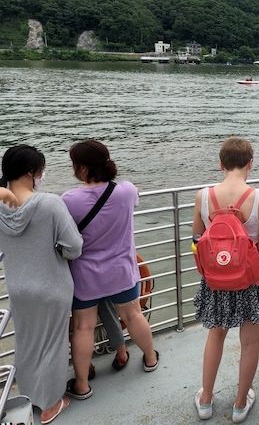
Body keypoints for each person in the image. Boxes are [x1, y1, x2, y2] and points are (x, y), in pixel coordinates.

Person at [62, 140, 159, 402]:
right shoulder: (125, 191)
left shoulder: (69, 200)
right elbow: (131, 198)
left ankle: (82, 385)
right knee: (134, 315)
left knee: (83, 328)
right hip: (121, 271)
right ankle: (150, 358)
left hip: (86, 276)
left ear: (81, 168)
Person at [192, 137, 259, 422]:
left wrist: (207, 271)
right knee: (250, 341)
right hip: (251, 277)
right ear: (250, 164)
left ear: (220, 164)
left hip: (216, 277)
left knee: (215, 335)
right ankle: (240, 404)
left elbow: (197, 240)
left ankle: (205, 399)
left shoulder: (203, 196)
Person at [0, 145, 81, 424]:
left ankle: (30, 395)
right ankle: (50, 405)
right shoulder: (50, 203)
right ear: (30, 173)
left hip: (18, 287)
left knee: (27, 342)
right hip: (52, 285)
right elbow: (74, 246)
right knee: (53, 345)